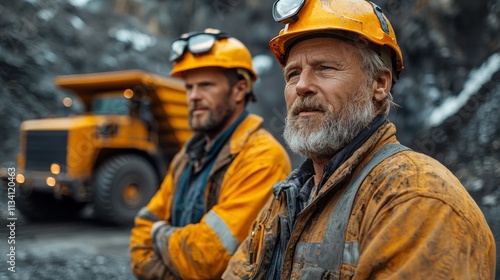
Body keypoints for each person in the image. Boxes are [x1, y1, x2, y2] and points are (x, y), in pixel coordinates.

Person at [223, 0, 496, 279]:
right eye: (293, 73)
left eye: (325, 68)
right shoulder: (287, 199)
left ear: (379, 84)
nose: (302, 86)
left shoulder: (415, 198)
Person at [129, 28, 292, 279]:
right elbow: (141, 231)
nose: (193, 96)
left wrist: (158, 234)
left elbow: (206, 259)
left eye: (205, 85)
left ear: (239, 91)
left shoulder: (262, 157)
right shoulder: (188, 155)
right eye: (189, 87)